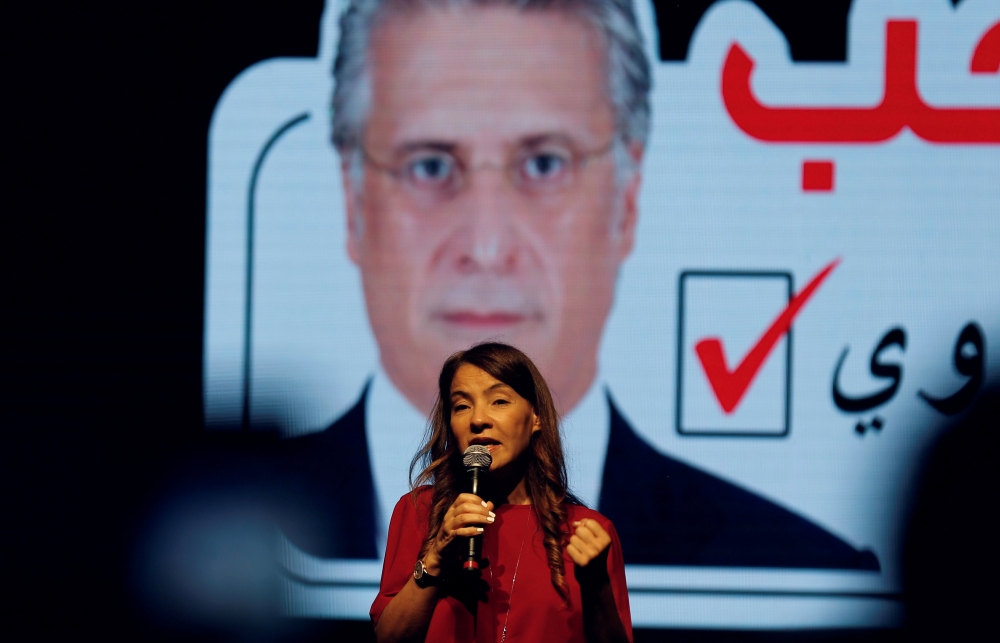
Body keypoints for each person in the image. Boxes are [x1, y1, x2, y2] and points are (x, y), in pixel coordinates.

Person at [277, 0, 879, 571]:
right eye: (430, 166)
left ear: (627, 200)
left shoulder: (801, 575)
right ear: (353, 200)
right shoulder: (241, 533)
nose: (487, 248)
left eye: (544, 164)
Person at [371, 342, 631, 643]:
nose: (478, 419)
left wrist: (596, 585)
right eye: (461, 406)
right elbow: (387, 638)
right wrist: (435, 559)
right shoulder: (421, 511)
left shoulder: (585, 531)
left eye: (499, 401)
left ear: (536, 418)